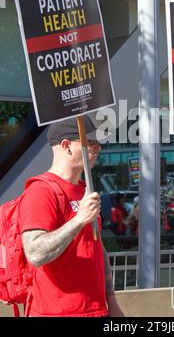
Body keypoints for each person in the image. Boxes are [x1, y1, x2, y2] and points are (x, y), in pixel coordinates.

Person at [19, 116, 124, 317]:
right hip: (56, 312)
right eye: (90, 142)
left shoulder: (85, 189)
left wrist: (111, 301)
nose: (98, 148)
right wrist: (79, 219)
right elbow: (35, 253)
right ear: (66, 146)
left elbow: (96, 248)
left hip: (95, 310)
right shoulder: (41, 191)